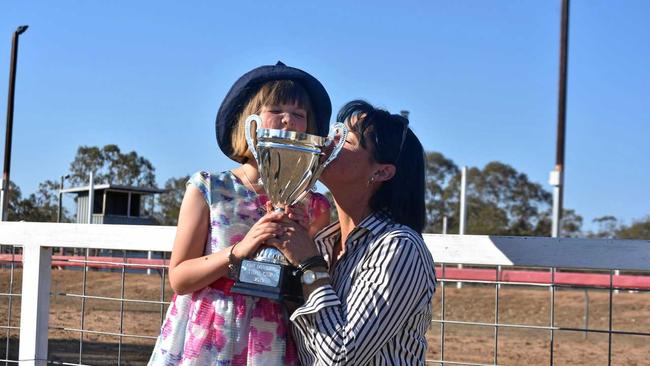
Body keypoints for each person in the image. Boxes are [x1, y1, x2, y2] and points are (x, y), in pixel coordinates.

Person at [148, 62, 332, 365]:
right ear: (251, 122)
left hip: (275, 337)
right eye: (276, 109)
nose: (288, 120)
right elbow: (180, 279)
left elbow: (310, 285)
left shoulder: (315, 206)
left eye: (299, 114)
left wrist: (298, 246)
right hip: (209, 334)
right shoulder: (209, 188)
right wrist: (238, 251)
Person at [268, 100, 437, 365]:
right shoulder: (324, 243)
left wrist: (309, 264)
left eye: (346, 140)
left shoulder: (399, 247)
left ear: (381, 171)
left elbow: (341, 356)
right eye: (334, 133)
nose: (328, 143)